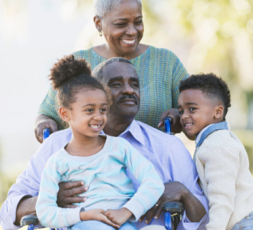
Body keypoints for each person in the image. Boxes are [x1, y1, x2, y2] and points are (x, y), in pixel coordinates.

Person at [0, 58, 208, 230]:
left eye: (135, 84)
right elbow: (9, 213)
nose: (129, 90)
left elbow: (206, 219)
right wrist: (49, 198)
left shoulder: (168, 147)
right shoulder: (56, 149)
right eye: (116, 84)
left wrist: (184, 193)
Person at [35, 55, 164, 230]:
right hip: (84, 225)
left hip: (123, 223)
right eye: (89, 110)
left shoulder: (119, 147)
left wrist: (127, 211)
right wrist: (83, 215)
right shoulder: (57, 162)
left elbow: (154, 183)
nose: (98, 116)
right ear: (65, 114)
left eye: (103, 109)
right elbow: (44, 212)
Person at [34, 0, 188, 143]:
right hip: (92, 166)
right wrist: (43, 123)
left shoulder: (166, 62)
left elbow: (196, 109)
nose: (132, 31)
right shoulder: (79, 63)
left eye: (138, 22)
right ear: (98, 23)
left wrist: (181, 115)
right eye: (121, 24)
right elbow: (47, 114)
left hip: (155, 163)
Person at [177, 73, 253, 230]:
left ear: (218, 112)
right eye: (181, 111)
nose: (184, 116)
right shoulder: (214, 140)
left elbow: (222, 199)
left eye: (192, 109)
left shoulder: (216, 145)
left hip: (244, 225)